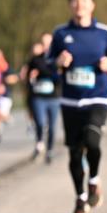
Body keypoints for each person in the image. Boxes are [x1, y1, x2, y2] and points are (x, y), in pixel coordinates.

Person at [48, 0, 107, 213]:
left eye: (84, 0)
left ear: (92, 5)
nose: (80, 4)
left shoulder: (104, 32)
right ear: (70, 5)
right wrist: (58, 62)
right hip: (71, 101)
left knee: (92, 140)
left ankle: (94, 180)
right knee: (75, 152)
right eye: (75, 0)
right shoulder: (60, 33)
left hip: (97, 97)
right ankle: (80, 197)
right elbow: (49, 63)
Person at [26, 33, 60, 163]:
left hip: (54, 97)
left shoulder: (59, 59)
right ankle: (39, 142)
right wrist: (32, 77)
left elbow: (59, 77)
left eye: (49, 43)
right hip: (38, 97)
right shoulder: (35, 60)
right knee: (40, 123)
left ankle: (50, 150)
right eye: (44, 43)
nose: (46, 46)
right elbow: (28, 77)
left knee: (52, 127)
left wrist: (46, 72)